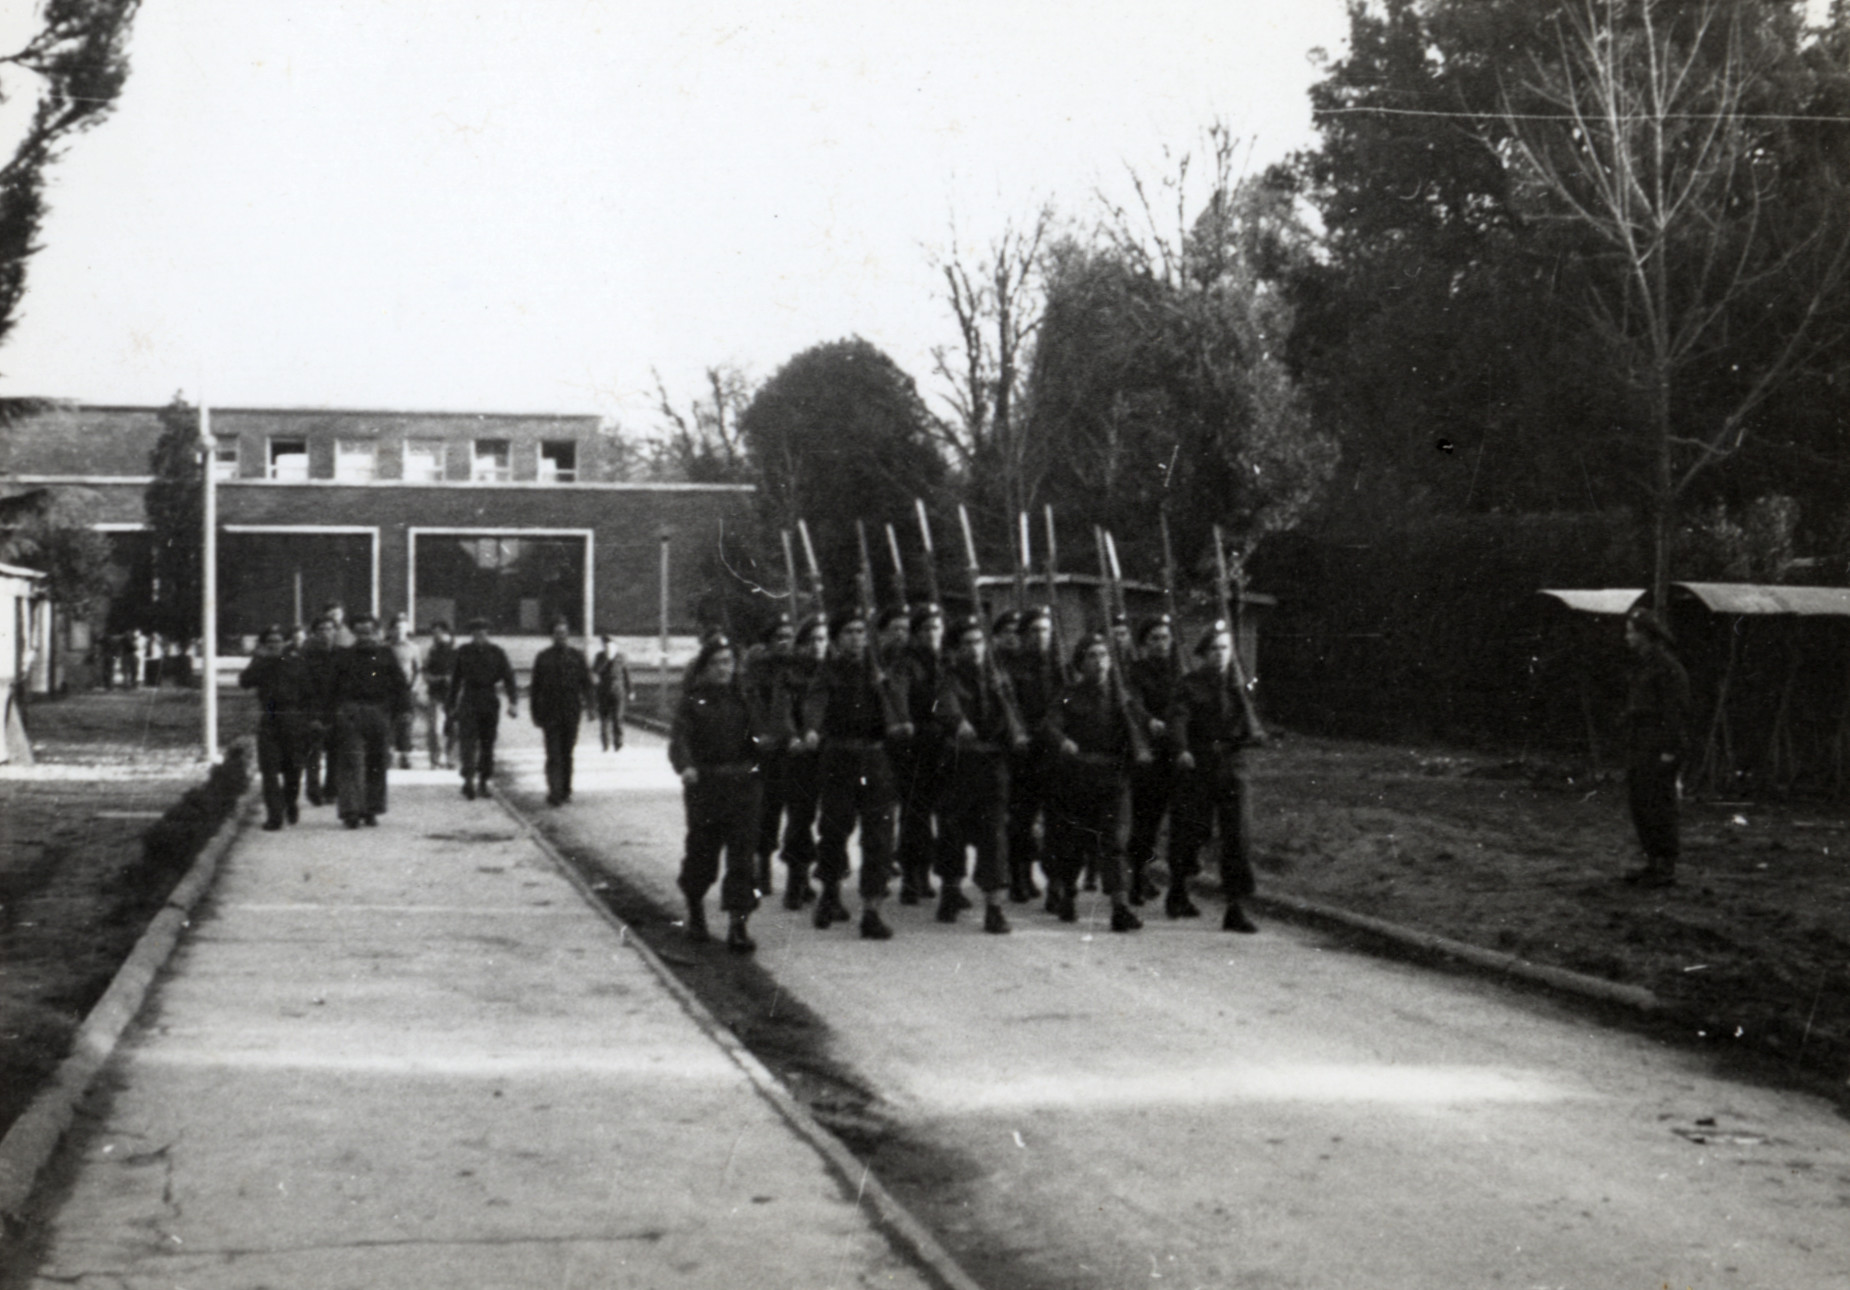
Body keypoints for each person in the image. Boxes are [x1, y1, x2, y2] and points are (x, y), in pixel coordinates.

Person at [801, 606, 911, 940]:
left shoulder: (879, 670)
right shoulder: (828, 670)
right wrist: (811, 728)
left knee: (879, 836)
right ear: (836, 639)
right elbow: (815, 702)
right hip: (839, 757)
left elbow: (898, 708)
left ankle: (872, 910)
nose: (856, 638)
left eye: (861, 632)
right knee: (834, 830)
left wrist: (885, 690)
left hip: (875, 758)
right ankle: (830, 894)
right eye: (849, 632)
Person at [669, 634, 783, 952]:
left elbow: (759, 736)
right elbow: (680, 740)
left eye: (729, 662)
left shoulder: (743, 700)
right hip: (706, 787)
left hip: (743, 789)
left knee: (742, 860)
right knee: (702, 855)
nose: (725, 669)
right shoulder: (692, 702)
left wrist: (767, 746)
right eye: (718, 662)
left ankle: (738, 926)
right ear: (704, 667)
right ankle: (695, 912)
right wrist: (686, 766)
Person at [1044, 632, 1148, 931]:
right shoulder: (1068, 693)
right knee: (1074, 843)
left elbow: (1140, 719)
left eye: (1104, 655)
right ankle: (1068, 894)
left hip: (1114, 778)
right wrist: (1062, 740)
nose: (1100, 662)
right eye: (1092, 656)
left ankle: (1120, 907)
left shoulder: (1123, 695)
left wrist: (1150, 724)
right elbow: (1050, 724)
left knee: (1115, 841)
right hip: (1078, 777)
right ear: (1080, 662)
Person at [931, 615, 1028, 933]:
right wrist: (958, 722)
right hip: (958, 764)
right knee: (951, 830)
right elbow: (944, 705)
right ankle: (950, 890)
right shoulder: (947, 676)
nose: (975, 649)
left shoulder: (997, 678)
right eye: (967, 643)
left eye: (979, 642)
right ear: (957, 649)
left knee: (995, 834)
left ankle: (994, 906)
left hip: (992, 764)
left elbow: (1013, 713)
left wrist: (1016, 733)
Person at [1168, 620, 1263, 932]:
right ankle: (1178, 889)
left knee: (1238, 836)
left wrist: (1256, 734)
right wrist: (1181, 748)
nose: (1220, 655)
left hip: (1234, 766)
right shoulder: (1189, 684)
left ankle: (1235, 907)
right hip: (1200, 764)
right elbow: (1179, 718)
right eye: (1214, 649)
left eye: (1225, 648)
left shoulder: (1238, 683)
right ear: (1203, 653)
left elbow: (1252, 722)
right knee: (1192, 831)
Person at [1621, 606, 1690, 888]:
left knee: (1659, 804)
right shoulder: (1645, 665)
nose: (1627, 638)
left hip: (1660, 745)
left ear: (1645, 636)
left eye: (1630, 632)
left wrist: (1670, 749)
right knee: (1641, 803)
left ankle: (1665, 865)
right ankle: (1652, 862)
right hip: (1641, 745)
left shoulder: (1668, 668)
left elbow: (1676, 712)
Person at [327, 612, 411, 828]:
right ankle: (351, 811)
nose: (365, 636)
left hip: (379, 712)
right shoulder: (343, 656)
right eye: (360, 632)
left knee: (377, 762)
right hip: (350, 712)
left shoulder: (386, 655)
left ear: (376, 632)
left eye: (369, 631)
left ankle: (371, 809)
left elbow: (400, 684)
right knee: (351, 762)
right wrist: (331, 715)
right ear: (354, 633)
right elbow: (330, 688)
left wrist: (404, 710)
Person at [1001, 605, 1062, 903]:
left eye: (1045, 631)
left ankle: (1055, 883)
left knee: (1055, 820)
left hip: (1053, 754)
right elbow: (1009, 708)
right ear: (1023, 636)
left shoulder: (1059, 667)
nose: (1041, 637)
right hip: (1023, 753)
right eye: (1034, 631)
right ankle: (1019, 875)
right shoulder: (1010, 671)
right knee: (1021, 819)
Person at [890, 602, 947, 905]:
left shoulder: (945, 660)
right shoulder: (905, 662)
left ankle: (929, 873)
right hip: (915, 743)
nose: (931, 634)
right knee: (915, 812)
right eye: (925, 629)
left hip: (944, 743)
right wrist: (905, 721)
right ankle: (912, 876)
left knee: (941, 812)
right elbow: (898, 694)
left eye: (936, 628)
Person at [1124, 614, 1183, 905]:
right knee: (1146, 819)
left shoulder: (1179, 672)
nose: (1161, 644)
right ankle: (1137, 875)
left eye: (1165, 638)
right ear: (1144, 644)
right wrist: (1150, 721)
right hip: (1149, 754)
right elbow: (1133, 702)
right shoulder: (1135, 672)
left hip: (1177, 753)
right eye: (1155, 639)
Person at [238, 623, 316, 831]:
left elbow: (309, 692)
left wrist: (308, 720)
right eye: (270, 642)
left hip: (293, 717)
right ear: (263, 645)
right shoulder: (260, 664)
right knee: (269, 769)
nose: (275, 645)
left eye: (278, 641)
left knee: (293, 769)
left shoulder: (296, 663)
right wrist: (258, 660)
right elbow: (244, 682)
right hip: (270, 718)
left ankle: (290, 802)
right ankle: (274, 815)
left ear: (285, 643)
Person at [776, 614, 828, 908]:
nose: (818, 646)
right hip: (799, 755)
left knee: (832, 819)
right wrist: (792, 736)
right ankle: (797, 880)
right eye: (812, 640)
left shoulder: (834, 671)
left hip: (829, 752)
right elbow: (782, 709)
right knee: (800, 817)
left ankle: (826, 883)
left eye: (823, 639)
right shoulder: (790, 674)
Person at [744, 614, 798, 896]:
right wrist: (759, 736)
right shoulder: (756, 670)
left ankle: (794, 873)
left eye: (789, 636)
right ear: (768, 642)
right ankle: (762, 864)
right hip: (763, 751)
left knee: (793, 812)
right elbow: (750, 707)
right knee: (765, 809)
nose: (785, 642)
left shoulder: (798, 668)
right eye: (779, 637)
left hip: (791, 749)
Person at [449, 617, 519, 799]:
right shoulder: (463, 652)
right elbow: (455, 681)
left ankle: (483, 781)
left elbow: (509, 678)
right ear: (471, 634)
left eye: (483, 631)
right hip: (469, 699)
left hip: (489, 698)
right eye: (476, 632)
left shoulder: (497, 652)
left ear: (488, 633)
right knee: (467, 742)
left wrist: (513, 702)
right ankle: (468, 780)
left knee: (488, 743)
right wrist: (450, 705)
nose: (480, 634)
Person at [529, 618, 595, 806]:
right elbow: (535, 688)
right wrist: (535, 713)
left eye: (564, 634)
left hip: (571, 712)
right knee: (553, 754)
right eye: (558, 634)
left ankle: (565, 789)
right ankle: (554, 792)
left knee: (567, 752)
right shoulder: (543, 657)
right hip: (550, 713)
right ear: (552, 636)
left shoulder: (577, 656)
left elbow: (587, 684)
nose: (561, 637)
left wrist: (591, 707)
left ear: (568, 635)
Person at [299, 615, 341, 806]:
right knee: (313, 751)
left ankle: (332, 789)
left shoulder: (342, 655)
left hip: (336, 708)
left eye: (329, 629)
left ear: (335, 631)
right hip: (313, 707)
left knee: (335, 751)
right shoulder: (306, 656)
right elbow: (301, 686)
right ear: (314, 633)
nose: (325, 633)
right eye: (321, 629)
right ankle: (313, 789)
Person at [385, 612, 422, 770]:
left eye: (402, 628)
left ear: (407, 629)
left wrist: (414, 687)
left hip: (406, 691)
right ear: (391, 630)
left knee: (406, 723)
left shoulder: (413, 648)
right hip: (387, 691)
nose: (399, 631)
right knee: (388, 722)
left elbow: (418, 670)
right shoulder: (384, 648)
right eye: (396, 628)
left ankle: (405, 756)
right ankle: (388, 755)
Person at [422, 621, 457, 769]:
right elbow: (424, 672)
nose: (435, 636)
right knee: (435, 729)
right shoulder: (431, 652)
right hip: (436, 694)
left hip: (453, 695)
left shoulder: (458, 652)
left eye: (437, 632)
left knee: (453, 728)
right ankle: (435, 758)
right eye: (433, 633)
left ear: (446, 633)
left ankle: (449, 756)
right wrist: (436, 679)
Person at [592, 632, 632, 752]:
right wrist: (606, 660)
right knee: (604, 719)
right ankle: (605, 744)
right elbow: (595, 671)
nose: (608, 647)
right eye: (606, 645)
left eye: (610, 644)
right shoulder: (599, 657)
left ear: (614, 645)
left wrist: (631, 690)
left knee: (617, 717)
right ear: (603, 646)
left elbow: (626, 675)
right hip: (603, 692)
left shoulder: (621, 657)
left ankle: (618, 743)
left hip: (618, 692)